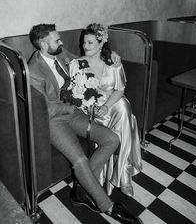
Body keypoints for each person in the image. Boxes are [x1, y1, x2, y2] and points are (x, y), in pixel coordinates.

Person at [28, 23, 143, 224]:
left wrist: (111, 53)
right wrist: (73, 107)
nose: (61, 42)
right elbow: (44, 110)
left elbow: (88, 55)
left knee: (112, 139)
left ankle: (81, 188)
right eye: (56, 40)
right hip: (55, 121)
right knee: (80, 160)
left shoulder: (61, 55)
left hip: (74, 113)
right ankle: (107, 206)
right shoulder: (33, 70)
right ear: (44, 44)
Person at [65, 23, 142, 198]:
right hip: (90, 110)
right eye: (84, 43)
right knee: (124, 116)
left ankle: (123, 176)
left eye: (90, 43)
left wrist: (106, 106)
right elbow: (73, 93)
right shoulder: (77, 64)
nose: (85, 46)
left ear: (101, 43)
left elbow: (120, 89)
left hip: (111, 104)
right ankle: (118, 175)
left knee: (123, 108)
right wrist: (88, 105)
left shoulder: (112, 62)